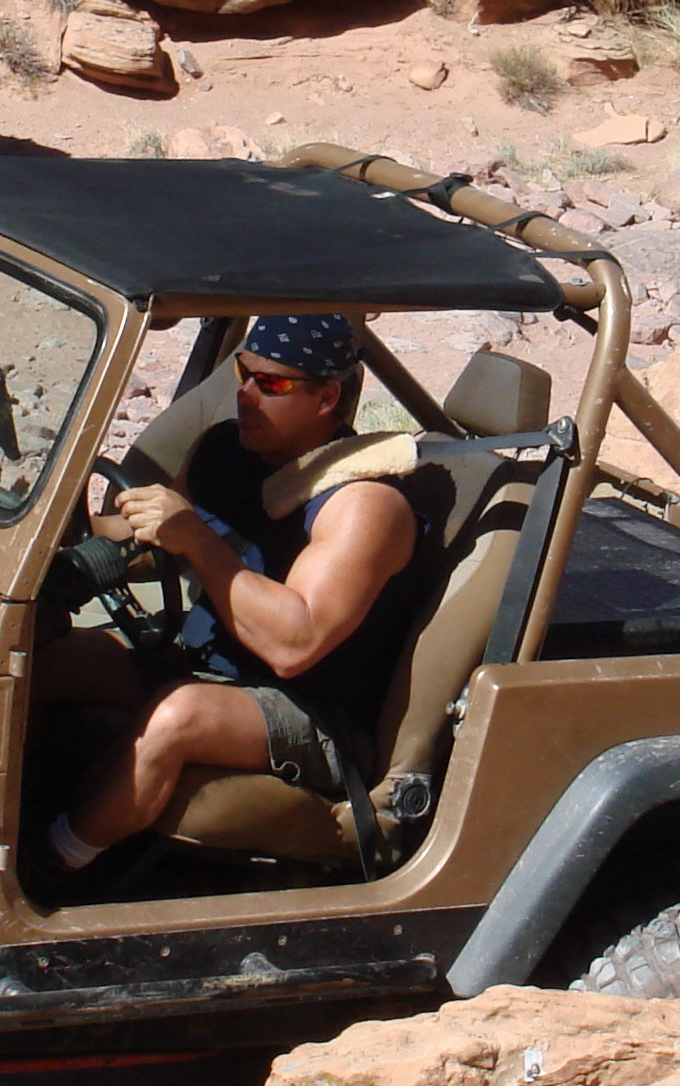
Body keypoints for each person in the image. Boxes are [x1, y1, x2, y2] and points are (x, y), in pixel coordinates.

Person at [35, 313, 425, 878]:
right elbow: (150, 545)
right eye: (244, 373)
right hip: (203, 665)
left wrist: (195, 537)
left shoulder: (363, 504)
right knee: (50, 661)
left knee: (179, 715)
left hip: (313, 713)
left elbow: (294, 645)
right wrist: (51, 530)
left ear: (326, 398)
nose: (245, 393)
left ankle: (52, 868)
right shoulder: (225, 449)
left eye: (272, 384)